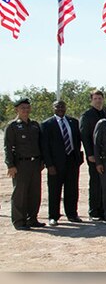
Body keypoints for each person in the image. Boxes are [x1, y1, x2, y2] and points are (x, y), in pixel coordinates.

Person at [40, 100, 83, 226]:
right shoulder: (47, 124)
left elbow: (77, 141)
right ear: (53, 108)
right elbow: (45, 147)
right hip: (55, 164)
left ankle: (72, 214)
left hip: (72, 162)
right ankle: (53, 216)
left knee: (72, 190)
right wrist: (49, 165)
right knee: (54, 190)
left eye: (62, 106)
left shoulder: (73, 122)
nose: (60, 108)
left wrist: (78, 159)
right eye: (57, 106)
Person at [4, 98, 44, 230]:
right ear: (17, 110)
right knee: (20, 194)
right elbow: (8, 147)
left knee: (34, 193)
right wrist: (10, 165)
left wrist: (42, 161)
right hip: (21, 165)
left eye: (27, 108)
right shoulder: (12, 126)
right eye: (23, 108)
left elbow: (40, 144)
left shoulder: (34, 125)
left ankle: (32, 219)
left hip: (35, 163)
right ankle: (19, 221)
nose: (26, 110)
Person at [79, 89, 106, 221]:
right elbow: (84, 136)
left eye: (100, 98)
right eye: (95, 98)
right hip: (94, 155)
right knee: (95, 183)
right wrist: (90, 154)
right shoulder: (87, 115)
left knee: (104, 183)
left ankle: (103, 209)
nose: (98, 101)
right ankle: (94, 211)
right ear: (91, 100)